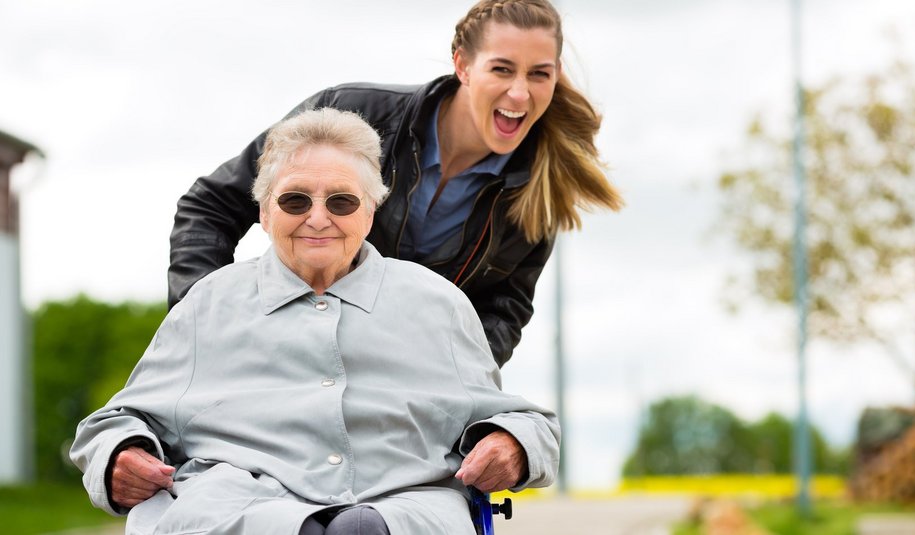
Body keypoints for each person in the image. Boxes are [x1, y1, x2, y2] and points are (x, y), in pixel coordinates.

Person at [71, 108, 560, 535]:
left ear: (371, 212)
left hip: (399, 506)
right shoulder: (209, 303)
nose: (318, 218)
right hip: (244, 508)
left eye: (341, 201)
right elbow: (115, 422)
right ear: (264, 212)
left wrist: (512, 445)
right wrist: (121, 453)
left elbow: (525, 421)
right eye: (295, 200)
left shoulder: (438, 303)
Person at [169, 0, 624, 369]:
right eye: (502, 69)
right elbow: (210, 206)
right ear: (462, 65)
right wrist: (208, 326)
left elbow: (502, 313)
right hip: (280, 356)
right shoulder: (350, 112)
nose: (520, 93)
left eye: (538, 73)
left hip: (391, 390)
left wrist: (445, 385)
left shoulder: (538, 193)